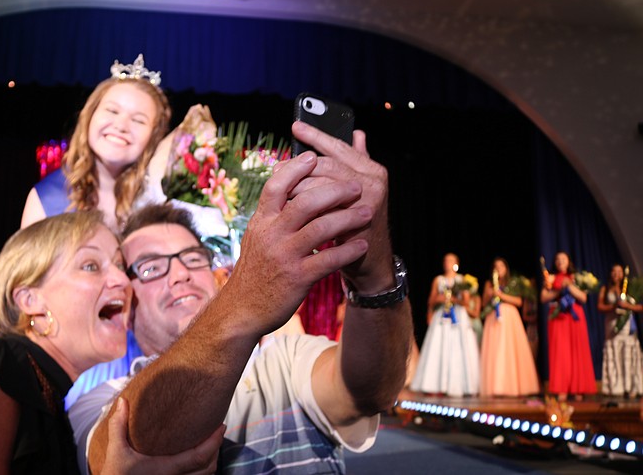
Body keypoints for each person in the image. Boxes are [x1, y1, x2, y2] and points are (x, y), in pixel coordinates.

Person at [75, 120, 413, 473]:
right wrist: (246, 298)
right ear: (126, 306)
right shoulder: (101, 399)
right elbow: (126, 449)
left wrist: (373, 276)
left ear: (216, 276)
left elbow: (371, 392)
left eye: (193, 258)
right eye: (150, 267)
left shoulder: (285, 360)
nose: (180, 274)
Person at [0, 211, 221, 474]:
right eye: (90, 265)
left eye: (119, 265)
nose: (121, 280)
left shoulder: (45, 392)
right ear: (29, 300)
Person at [18, 54, 172, 407]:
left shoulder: (159, 205)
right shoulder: (47, 197)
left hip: (142, 361)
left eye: (138, 119)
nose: (122, 125)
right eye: (112, 111)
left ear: (152, 136)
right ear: (91, 116)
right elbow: (27, 291)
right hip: (65, 360)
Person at [410, 252, 480, 397]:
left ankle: (461, 385)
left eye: (451, 260)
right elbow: (431, 300)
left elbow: (466, 302)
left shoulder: (462, 280)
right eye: (446, 260)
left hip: (457, 316)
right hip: (442, 315)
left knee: (458, 348)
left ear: (456, 263)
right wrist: (440, 299)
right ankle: (436, 384)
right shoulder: (438, 280)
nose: (448, 263)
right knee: (439, 346)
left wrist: (454, 299)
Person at [480, 257, 540, 397]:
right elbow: (483, 303)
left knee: (510, 350)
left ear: (506, 268)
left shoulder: (512, 283)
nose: (499, 268)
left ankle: (514, 386)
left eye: (501, 266)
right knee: (495, 350)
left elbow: (519, 301)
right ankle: (496, 386)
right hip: (493, 317)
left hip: (509, 317)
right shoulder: (489, 284)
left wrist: (501, 295)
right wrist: (490, 295)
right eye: (496, 266)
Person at [540, 251, 596, 401]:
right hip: (558, 317)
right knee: (560, 353)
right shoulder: (550, 278)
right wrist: (558, 287)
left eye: (563, 259)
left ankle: (579, 388)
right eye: (557, 259)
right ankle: (561, 388)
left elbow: (583, 297)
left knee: (577, 351)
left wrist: (569, 285)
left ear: (568, 261)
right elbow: (544, 297)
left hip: (575, 316)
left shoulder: (576, 277)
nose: (560, 261)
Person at [597, 263, 642, 397]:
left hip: (627, 326)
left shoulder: (629, 289)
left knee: (628, 353)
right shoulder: (605, 289)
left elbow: (640, 307)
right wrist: (613, 307)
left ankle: (632, 387)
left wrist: (627, 306)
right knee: (614, 352)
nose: (616, 274)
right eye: (614, 271)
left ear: (623, 274)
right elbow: (599, 306)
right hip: (612, 324)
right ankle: (616, 387)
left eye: (619, 271)